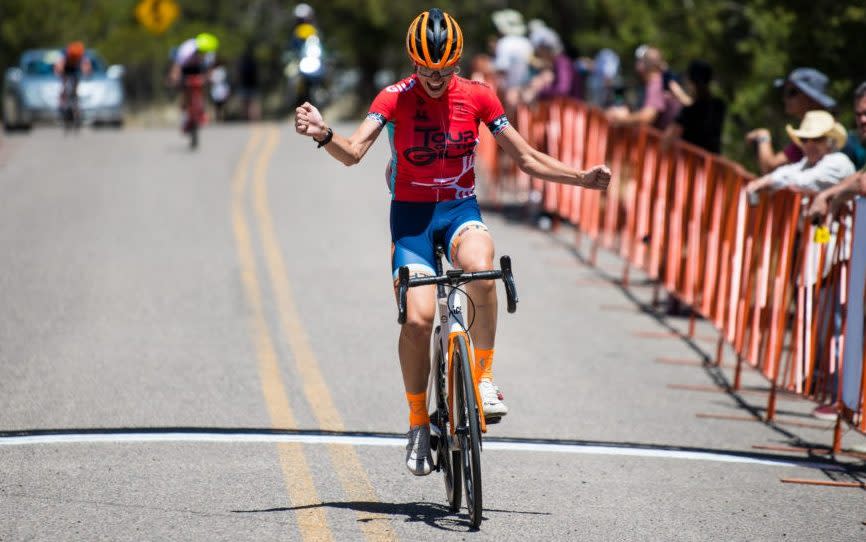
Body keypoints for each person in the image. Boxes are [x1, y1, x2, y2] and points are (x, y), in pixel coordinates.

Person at [294, 8, 611, 476]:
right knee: (419, 320)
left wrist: (581, 179)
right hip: (412, 219)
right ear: (413, 62)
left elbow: (524, 158)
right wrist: (324, 135)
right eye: (426, 69)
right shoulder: (393, 98)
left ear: (457, 63)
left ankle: (482, 377)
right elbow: (354, 152)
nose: (436, 78)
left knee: (483, 267)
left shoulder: (479, 97)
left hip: (460, 210)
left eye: (444, 70)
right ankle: (419, 421)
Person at [745, 68, 836, 174]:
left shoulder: (817, 133)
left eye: (791, 93)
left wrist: (763, 136)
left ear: (810, 98)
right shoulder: (812, 129)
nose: (785, 98)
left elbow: (770, 168)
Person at [745, 110, 854, 195]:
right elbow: (788, 171)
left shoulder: (838, 162)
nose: (809, 145)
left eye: (817, 138)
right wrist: (767, 180)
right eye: (804, 139)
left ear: (830, 141)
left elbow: (803, 182)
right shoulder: (808, 163)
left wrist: (770, 181)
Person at [605, 45, 681, 130]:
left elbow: (647, 116)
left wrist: (622, 120)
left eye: (639, 60)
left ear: (642, 65)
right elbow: (620, 98)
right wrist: (621, 107)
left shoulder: (656, 84)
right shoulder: (651, 82)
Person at [665, 60, 726, 154]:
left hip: (692, 164)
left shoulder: (690, 110)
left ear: (690, 81)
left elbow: (668, 138)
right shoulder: (719, 105)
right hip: (712, 164)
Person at [170, 33, 220, 132]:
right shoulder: (187, 50)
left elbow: (209, 69)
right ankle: (184, 116)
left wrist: (209, 78)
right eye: (201, 52)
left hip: (199, 69)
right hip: (186, 68)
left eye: (205, 52)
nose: (203, 54)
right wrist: (175, 77)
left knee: (203, 86)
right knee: (185, 90)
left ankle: (201, 110)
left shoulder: (210, 52)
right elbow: (177, 66)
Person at [490, 9, 533, 112]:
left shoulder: (505, 43)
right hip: (524, 89)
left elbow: (502, 68)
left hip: (509, 91)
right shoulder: (527, 43)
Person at [53, 41, 92, 114]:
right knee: (64, 85)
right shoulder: (64, 54)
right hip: (66, 68)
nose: (75, 58)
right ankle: (62, 102)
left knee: (75, 84)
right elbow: (59, 66)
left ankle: (75, 103)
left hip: (75, 69)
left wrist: (87, 73)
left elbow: (87, 65)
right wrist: (59, 73)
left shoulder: (82, 54)